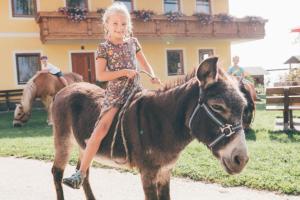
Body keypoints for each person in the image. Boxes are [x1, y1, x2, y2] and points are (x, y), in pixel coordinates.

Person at [62, 2, 161, 189]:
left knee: (155, 112)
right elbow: (101, 75)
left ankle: (155, 155)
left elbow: (145, 63)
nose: (120, 28)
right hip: (116, 94)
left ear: (128, 25)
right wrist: (124, 71)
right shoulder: (103, 48)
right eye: (115, 24)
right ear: (106, 24)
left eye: (123, 24)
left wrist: (153, 74)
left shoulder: (133, 42)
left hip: (136, 90)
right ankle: (80, 173)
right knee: (101, 129)